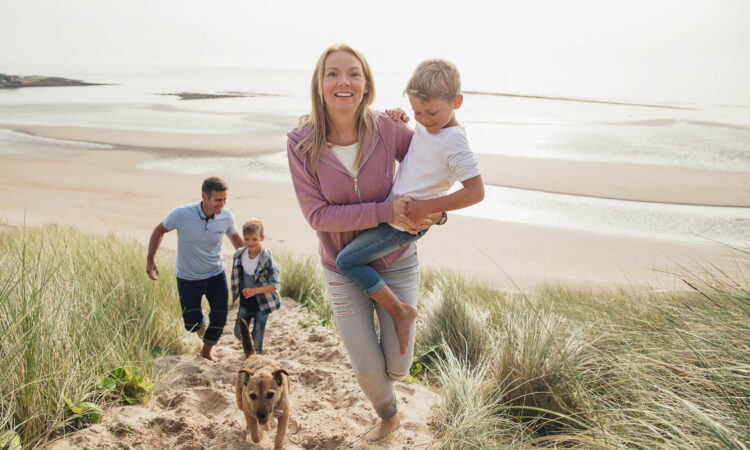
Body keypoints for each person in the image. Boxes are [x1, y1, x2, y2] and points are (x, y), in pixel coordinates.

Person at [286, 44, 441, 441]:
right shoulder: (301, 142)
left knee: (398, 367)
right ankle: (389, 418)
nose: (344, 81)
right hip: (341, 265)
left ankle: (399, 322)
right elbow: (317, 216)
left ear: (366, 84)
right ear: (320, 84)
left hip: (396, 258)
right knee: (368, 369)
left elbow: (434, 165)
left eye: (354, 73)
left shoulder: (388, 129)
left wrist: (439, 212)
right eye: (333, 73)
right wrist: (385, 212)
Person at [335, 59, 484, 355]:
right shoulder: (429, 127)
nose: (424, 119)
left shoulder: (454, 141)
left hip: (403, 225)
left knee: (346, 262)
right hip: (394, 216)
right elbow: (418, 157)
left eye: (432, 112)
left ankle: (400, 311)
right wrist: (399, 116)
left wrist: (428, 208)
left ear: (457, 102)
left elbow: (475, 192)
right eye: (417, 111)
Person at [146, 176, 243, 361]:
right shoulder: (181, 214)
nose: (221, 205)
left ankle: (206, 352)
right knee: (192, 324)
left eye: (224, 200)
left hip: (216, 274)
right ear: (204, 196)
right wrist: (150, 259)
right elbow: (159, 231)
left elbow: (235, 238)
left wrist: (249, 258)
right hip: (188, 277)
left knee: (221, 319)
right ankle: (201, 321)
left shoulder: (226, 216)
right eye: (217, 200)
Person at [230, 218, 281, 354]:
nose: (250, 243)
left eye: (254, 239)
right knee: (238, 332)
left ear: (261, 238)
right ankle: (249, 346)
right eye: (247, 239)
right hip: (245, 301)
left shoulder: (266, 258)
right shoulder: (240, 255)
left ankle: (254, 356)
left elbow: (275, 284)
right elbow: (236, 277)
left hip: (262, 304)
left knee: (258, 337)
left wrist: (255, 291)